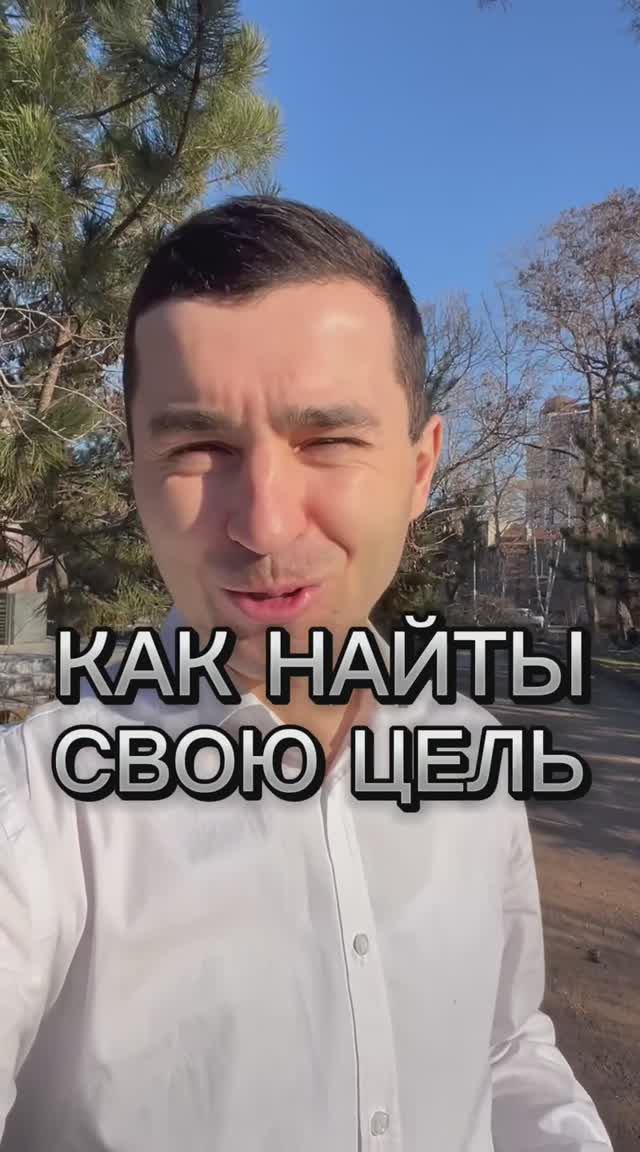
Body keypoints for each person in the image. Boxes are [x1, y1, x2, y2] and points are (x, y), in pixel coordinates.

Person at [0, 197, 612, 1151]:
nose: (265, 524)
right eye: (198, 448)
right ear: (136, 471)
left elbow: (502, 1047)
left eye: (327, 441)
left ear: (420, 470)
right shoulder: (43, 812)